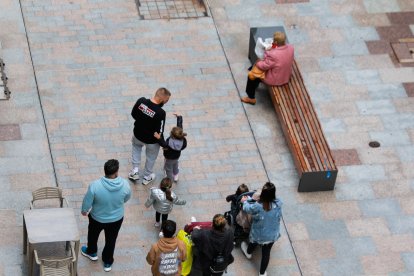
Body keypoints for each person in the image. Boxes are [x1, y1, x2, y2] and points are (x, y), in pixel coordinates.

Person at [81, 159, 131, 272]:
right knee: (111, 240)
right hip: (116, 219)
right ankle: (107, 262)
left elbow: (87, 201)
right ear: (116, 172)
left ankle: (92, 252)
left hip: (97, 218)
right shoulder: (125, 185)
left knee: (93, 235)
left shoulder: (95, 185)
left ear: (105, 171)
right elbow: (126, 198)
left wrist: (84, 211)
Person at [129, 87, 171, 185]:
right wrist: (163, 143)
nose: (166, 102)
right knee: (151, 157)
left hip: (138, 134)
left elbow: (133, 114)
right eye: (166, 100)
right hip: (152, 141)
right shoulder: (161, 113)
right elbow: (160, 130)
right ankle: (147, 176)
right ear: (161, 99)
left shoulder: (141, 101)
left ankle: (135, 171)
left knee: (136, 149)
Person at [240, 182, 283, 276]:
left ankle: (248, 253)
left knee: (253, 242)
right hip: (273, 234)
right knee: (266, 253)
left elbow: (247, 209)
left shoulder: (259, 206)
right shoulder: (279, 203)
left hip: (259, 234)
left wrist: (245, 201)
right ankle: (262, 273)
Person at [241, 31, 294, 105]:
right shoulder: (291, 47)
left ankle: (251, 98)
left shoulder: (273, 55)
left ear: (275, 42)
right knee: (255, 68)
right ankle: (254, 79)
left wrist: (264, 55)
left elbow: (264, 66)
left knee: (252, 75)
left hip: (276, 79)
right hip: (285, 74)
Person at [154, 113, 187, 182]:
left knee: (168, 168)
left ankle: (169, 179)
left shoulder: (170, 142)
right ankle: (176, 175)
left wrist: (159, 138)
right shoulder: (182, 139)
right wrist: (179, 117)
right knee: (175, 164)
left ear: (173, 135)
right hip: (177, 156)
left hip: (169, 157)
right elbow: (180, 127)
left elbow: (163, 144)